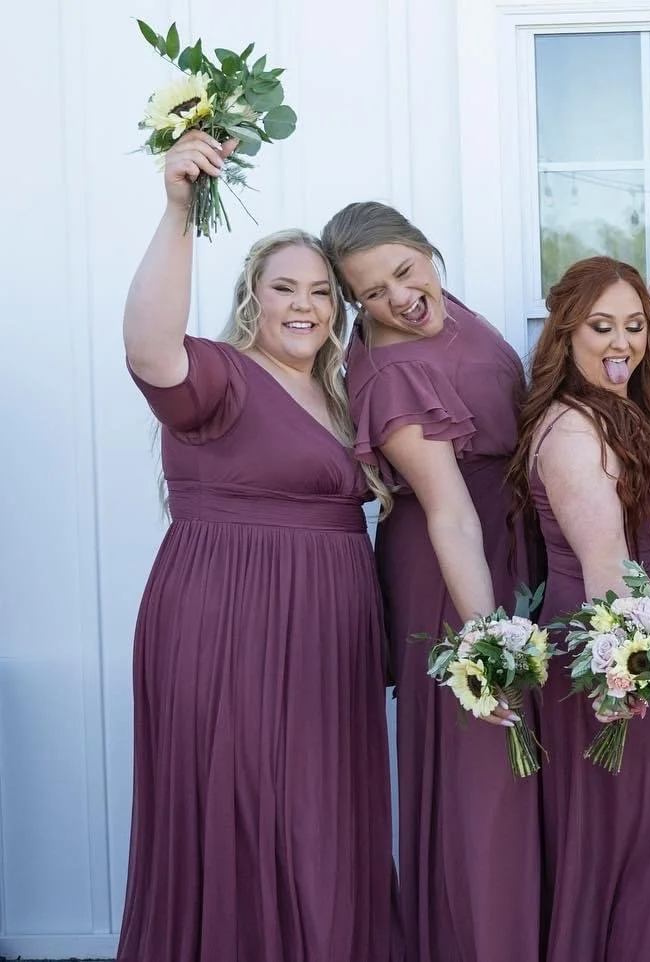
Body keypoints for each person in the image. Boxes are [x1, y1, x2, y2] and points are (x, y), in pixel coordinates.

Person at [117, 130, 397, 962]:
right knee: (247, 812)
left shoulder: (345, 394)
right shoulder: (221, 375)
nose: (303, 305)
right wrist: (178, 208)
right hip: (229, 623)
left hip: (327, 645)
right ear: (254, 296)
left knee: (321, 823)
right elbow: (146, 347)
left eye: (320, 291)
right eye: (284, 288)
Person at [508, 122, 650, 962]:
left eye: (634, 327)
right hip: (623, 662)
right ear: (565, 333)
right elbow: (607, 567)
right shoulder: (573, 430)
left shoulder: (628, 399)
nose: (624, 342)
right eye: (601, 327)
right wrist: (627, 675)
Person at [321, 199, 538, 962]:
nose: (399, 299)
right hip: (455, 568)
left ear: (424, 248)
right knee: (486, 774)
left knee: (520, 771)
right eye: (372, 294)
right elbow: (448, 514)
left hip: (507, 541)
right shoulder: (394, 372)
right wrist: (485, 644)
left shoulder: (438, 310)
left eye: (405, 272)